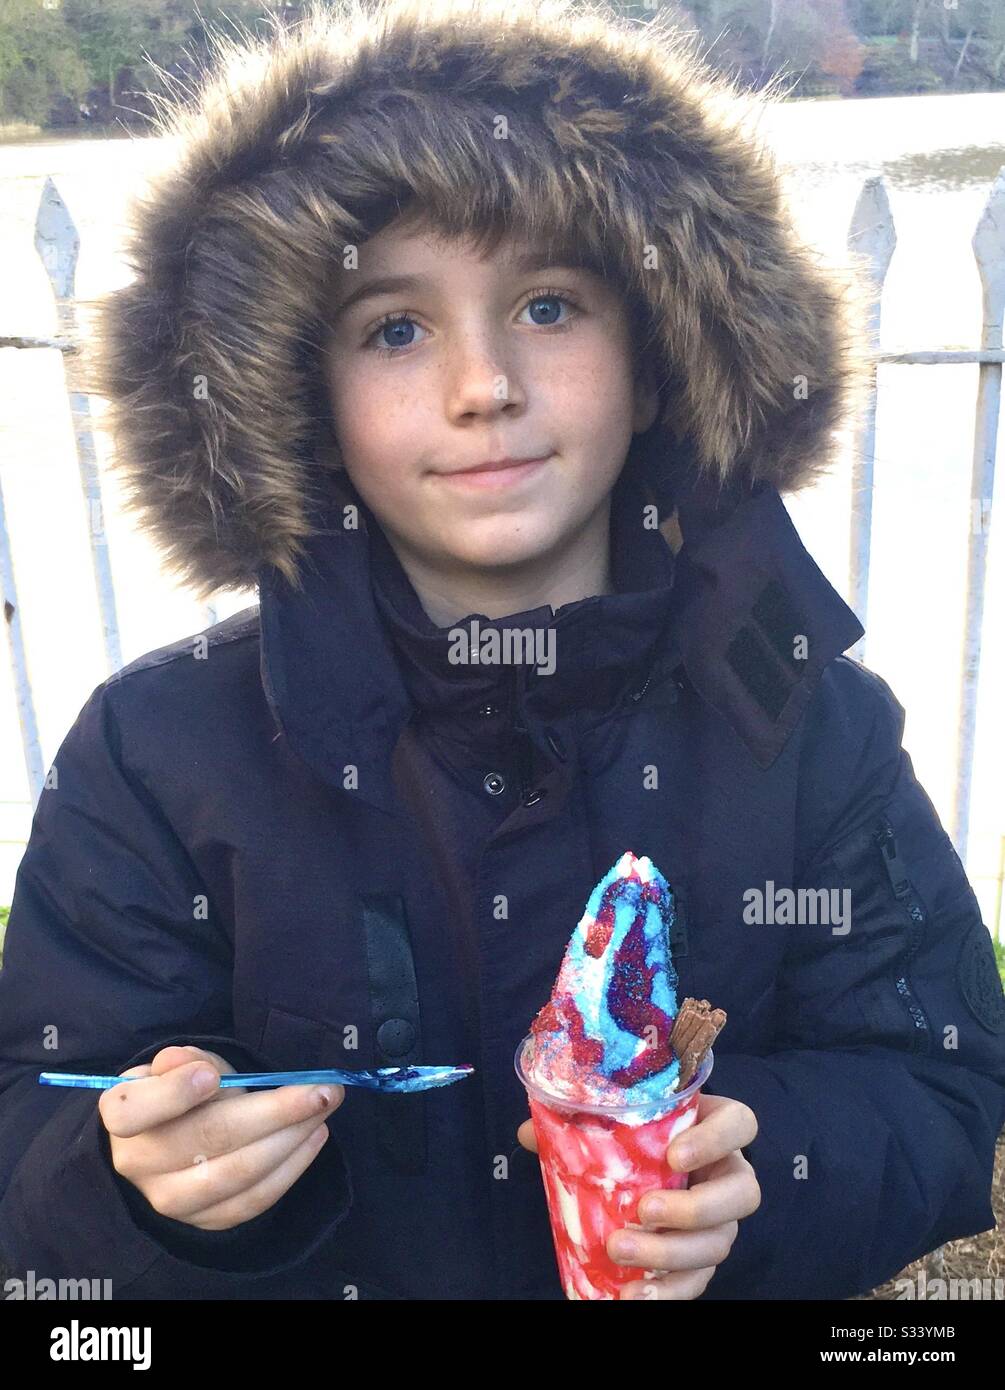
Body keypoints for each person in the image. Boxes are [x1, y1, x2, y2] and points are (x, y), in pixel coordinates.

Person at [1, 0, 1003, 1302]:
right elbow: (32, 1115)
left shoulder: (814, 726)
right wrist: (141, 1184)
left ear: (655, 359)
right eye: (395, 329)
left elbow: (931, 1080)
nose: (483, 384)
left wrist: (770, 1173)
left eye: (546, 304)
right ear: (302, 398)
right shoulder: (157, 750)